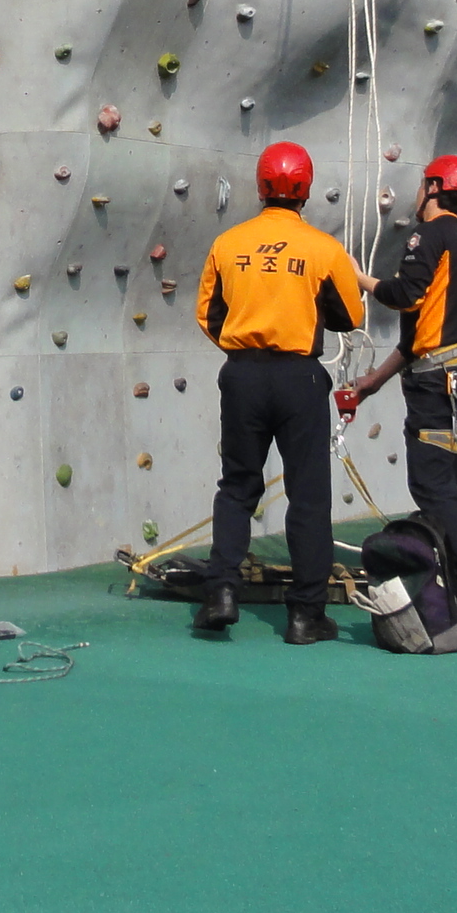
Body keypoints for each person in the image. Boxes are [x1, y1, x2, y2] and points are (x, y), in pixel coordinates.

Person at [192, 140, 374, 644]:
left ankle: (220, 592)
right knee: (308, 496)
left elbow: (208, 314)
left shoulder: (228, 243)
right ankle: (305, 614)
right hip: (300, 378)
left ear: (260, 186)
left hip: (242, 375)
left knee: (237, 486)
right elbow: (350, 316)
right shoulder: (323, 248)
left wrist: (244, 348)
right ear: (306, 190)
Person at [342, 156, 457, 625]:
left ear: (433, 188)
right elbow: (420, 334)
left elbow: (404, 295)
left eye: (421, 185)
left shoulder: (428, 235)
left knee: (432, 486)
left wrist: (358, 277)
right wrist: (374, 381)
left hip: (438, 386)